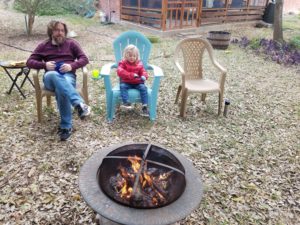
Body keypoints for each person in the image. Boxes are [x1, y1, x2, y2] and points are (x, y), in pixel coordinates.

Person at [27, 20, 90, 141]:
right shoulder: (43, 46)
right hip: (50, 78)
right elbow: (29, 62)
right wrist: (44, 65)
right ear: (51, 32)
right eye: (57, 30)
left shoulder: (72, 43)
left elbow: (84, 59)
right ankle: (78, 103)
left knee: (62, 89)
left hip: (68, 76)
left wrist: (71, 66)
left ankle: (66, 126)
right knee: (53, 74)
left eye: (62, 30)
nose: (60, 33)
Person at [117, 44, 149, 117]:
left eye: (134, 56)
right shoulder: (123, 63)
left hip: (137, 82)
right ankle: (127, 103)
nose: (132, 58)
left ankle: (144, 107)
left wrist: (144, 76)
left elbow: (143, 71)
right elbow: (120, 71)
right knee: (122, 86)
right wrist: (131, 75)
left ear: (137, 56)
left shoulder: (139, 63)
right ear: (126, 55)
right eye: (130, 56)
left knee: (143, 88)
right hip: (126, 82)